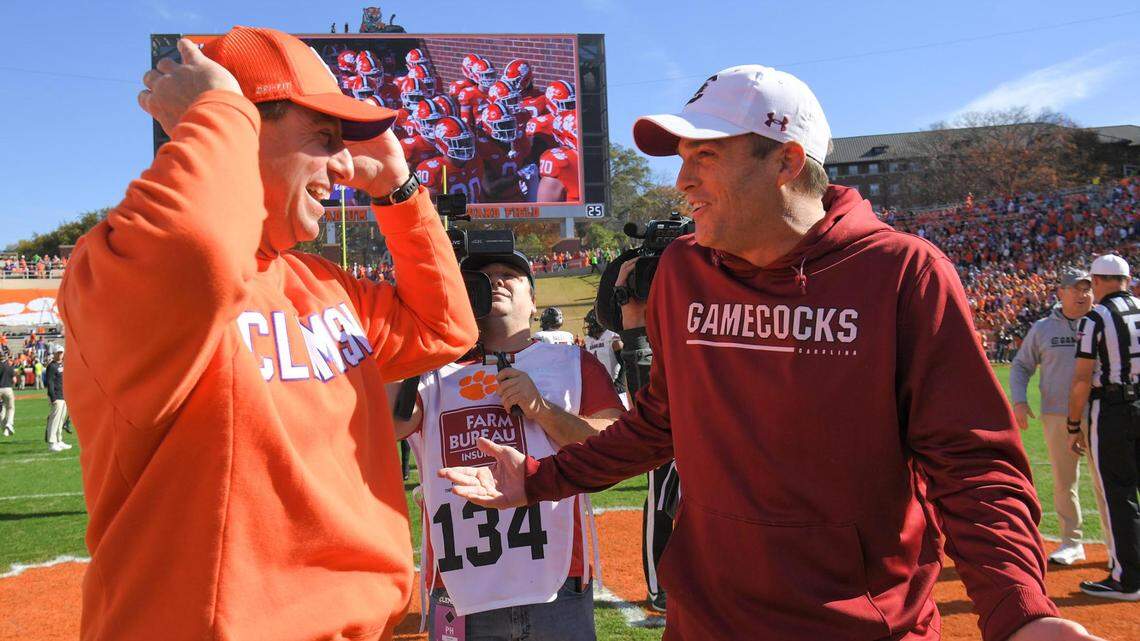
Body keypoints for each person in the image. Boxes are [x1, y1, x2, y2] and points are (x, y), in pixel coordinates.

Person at [440, 65, 1103, 640]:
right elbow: (662, 421)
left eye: (705, 156)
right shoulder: (682, 270)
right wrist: (540, 476)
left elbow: (973, 464)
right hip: (704, 622)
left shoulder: (903, 273)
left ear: (786, 161)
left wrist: (1018, 610)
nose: (682, 181)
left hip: (860, 625)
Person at [58, 28, 477, 641]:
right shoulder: (132, 265)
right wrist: (218, 109)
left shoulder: (319, 282)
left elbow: (444, 330)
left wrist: (398, 190)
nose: (342, 164)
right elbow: (198, 248)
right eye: (323, 138)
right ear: (241, 131)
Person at [394, 250, 624, 640]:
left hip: (558, 583)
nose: (496, 280)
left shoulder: (574, 362)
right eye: (482, 277)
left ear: (534, 300)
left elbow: (615, 450)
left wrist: (543, 410)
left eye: (510, 274)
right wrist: (412, 325)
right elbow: (390, 423)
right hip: (457, 589)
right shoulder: (431, 369)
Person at [1010, 267, 1112, 566]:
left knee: (1106, 480)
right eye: (1076, 289)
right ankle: (1072, 542)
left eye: (1087, 288)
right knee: (1064, 481)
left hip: (1098, 411)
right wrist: (1018, 400)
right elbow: (1020, 366)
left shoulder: (1103, 323)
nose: (1083, 294)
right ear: (1061, 293)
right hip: (1056, 415)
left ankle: (1116, 546)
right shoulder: (1042, 328)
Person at [1067, 254, 1140, 601]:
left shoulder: (1096, 316)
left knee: (1119, 492)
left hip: (1113, 409)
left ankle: (1127, 579)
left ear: (1097, 281)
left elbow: (1082, 377)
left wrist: (1072, 424)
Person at [44, 345, 68, 452]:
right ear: (54, 353)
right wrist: (52, 397)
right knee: (54, 420)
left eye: (61, 352)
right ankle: (52, 443)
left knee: (61, 419)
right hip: (56, 396)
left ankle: (59, 440)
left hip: (64, 395)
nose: (60, 355)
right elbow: (50, 382)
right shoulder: (52, 366)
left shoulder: (63, 364)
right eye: (58, 353)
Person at [0, 356, 15, 436]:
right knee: (10, 408)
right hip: (8, 389)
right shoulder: (9, 367)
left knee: (1, 410)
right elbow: (14, 380)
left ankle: (5, 430)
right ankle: (9, 423)